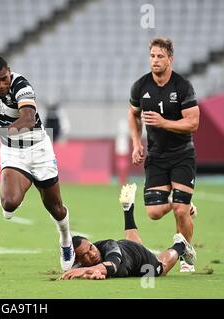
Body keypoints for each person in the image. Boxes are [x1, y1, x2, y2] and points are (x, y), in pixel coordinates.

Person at [0, 56, 75, 271]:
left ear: (9, 72)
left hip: (39, 149)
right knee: (9, 204)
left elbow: (27, 120)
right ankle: (9, 193)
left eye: (3, 79)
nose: (0, 85)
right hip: (12, 151)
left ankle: (66, 241)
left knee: (55, 207)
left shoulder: (21, 86)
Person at [127, 38, 200, 272]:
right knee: (154, 212)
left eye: (160, 56)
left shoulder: (182, 86)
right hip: (156, 156)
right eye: (152, 56)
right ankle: (184, 202)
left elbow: (193, 123)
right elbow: (132, 114)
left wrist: (164, 123)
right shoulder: (140, 86)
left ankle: (185, 256)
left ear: (170, 58)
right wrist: (137, 143)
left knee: (180, 209)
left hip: (182, 155)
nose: (155, 60)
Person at [60, 184, 196, 280]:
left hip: (139, 258)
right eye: (86, 254)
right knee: (132, 247)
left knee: (160, 268)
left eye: (91, 247)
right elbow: (87, 269)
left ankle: (180, 245)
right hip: (128, 249)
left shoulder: (109, 246)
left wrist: (83, 271)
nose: (93, 253)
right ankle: (128, 210)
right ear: (79, 259)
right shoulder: (79, 261)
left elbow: (110, 267)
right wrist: (91, 273)